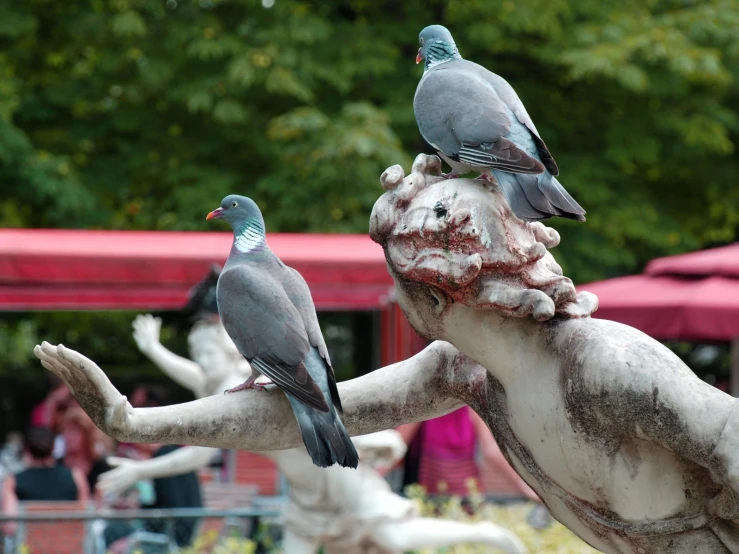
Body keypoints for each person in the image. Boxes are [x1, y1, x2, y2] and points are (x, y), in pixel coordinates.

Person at [1, 427, 90, 536]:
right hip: (70, 546)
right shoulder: (76, 476)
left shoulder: (13, 481)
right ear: (53, 447)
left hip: (28, 549)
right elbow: (86, 519)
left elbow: (10, 526)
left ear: (27, 450)